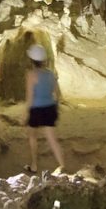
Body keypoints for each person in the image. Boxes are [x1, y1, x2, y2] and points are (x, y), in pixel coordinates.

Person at [24, 44, 65, 173]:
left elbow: (30, 97)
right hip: (49, 108)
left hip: (36, 109)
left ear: (32, 60)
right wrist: (55, 105)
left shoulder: (31, 75)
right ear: (44, 60)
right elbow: (57, 94)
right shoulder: (50, 74)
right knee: (52, 139)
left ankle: (34, 165)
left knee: (32, 137)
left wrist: (25, 114)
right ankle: (62, 165)